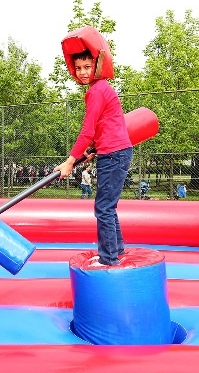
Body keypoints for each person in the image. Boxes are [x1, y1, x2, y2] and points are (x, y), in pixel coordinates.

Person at [55, 26, 133, 266]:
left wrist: (70, 161)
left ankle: (109, 259)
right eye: (78, 68)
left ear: (98, 65)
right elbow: (104, 127)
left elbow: (88, 129)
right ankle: (117, 250)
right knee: (108, 206)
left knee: (104, 209)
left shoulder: (97, 91)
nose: (82, 72)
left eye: (87, 67)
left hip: (115, 154)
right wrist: (92, 150)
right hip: (112, 152)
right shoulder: (100, 90)